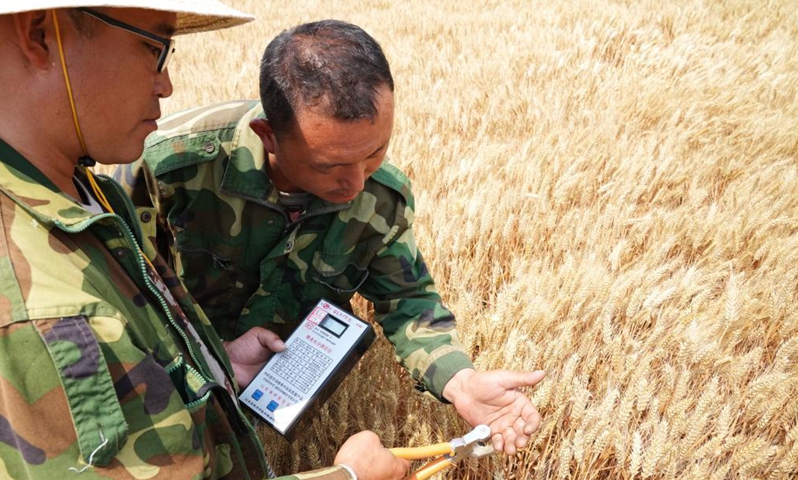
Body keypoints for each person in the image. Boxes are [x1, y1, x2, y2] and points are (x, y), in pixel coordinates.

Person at [0, 2, 408, 479]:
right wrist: (349, 478)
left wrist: (211, 364)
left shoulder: (85, 196)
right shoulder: (48, 311)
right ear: (40, 36)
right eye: (153, 48)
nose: (166, 83)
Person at [118, 19, 546, 455]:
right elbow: (119, 292)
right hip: (170, 389)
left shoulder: (381, 198)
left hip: (280, 400)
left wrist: (461, 381)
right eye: (329, 166)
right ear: (268, 137)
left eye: (375, 152)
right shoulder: (169, 167)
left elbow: (408, 300)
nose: (357, 184)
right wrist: (205, 360)